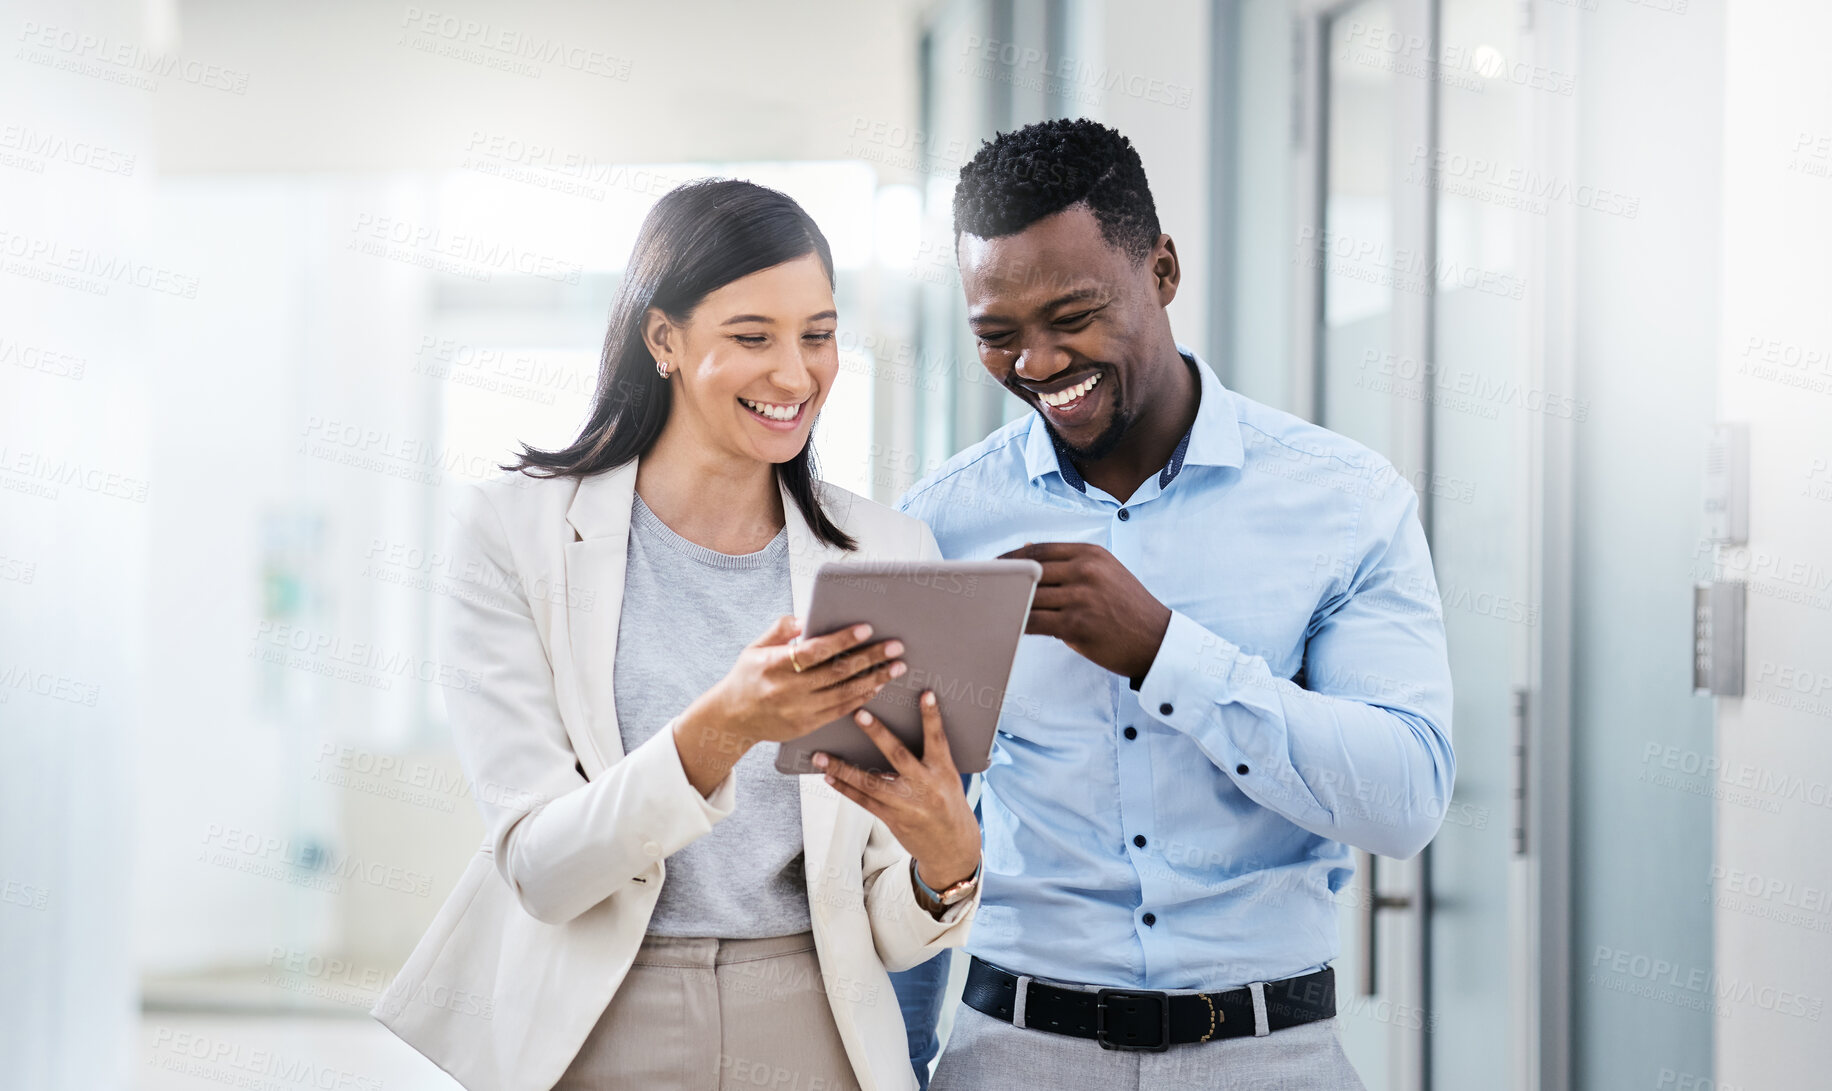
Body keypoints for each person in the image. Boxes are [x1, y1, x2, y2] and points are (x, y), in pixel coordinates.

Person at [373, 179, 984, 1091]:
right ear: (663, 338)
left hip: (815, 1021)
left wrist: (948, 862)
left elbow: (888, 928)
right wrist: (722, 728)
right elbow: (541, 868)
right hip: (598, 1015)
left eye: (818, 334)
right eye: (752, 337)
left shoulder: (889, 553)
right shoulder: (516, 533)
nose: (795, 372)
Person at [889, 119, 1455, 1089]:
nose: (1034, 362)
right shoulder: (937, 524)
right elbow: (902, 820)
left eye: (1070, 314)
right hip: (1016, 1053)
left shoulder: (1344, 499)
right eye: (996, 335)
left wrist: (1161, 650)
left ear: (1160, 270)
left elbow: (1403, 798)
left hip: (1271, 1054)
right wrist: (894, 1067)